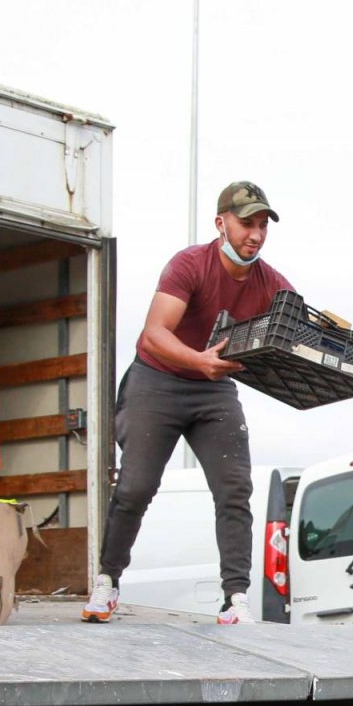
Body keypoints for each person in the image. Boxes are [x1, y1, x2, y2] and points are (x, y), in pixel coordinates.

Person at [83, 180, 295, 624]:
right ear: (221, 224)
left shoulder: (272, 284)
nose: (254, 234)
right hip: (157, 380)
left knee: (235, 488)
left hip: (213, 388)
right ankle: (107, 580)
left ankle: (235, 598)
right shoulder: (190, 265)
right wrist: (198, 360)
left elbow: (299, 333)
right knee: (136, 486)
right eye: (245, 223)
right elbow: (153, 333)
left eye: (262, 225)